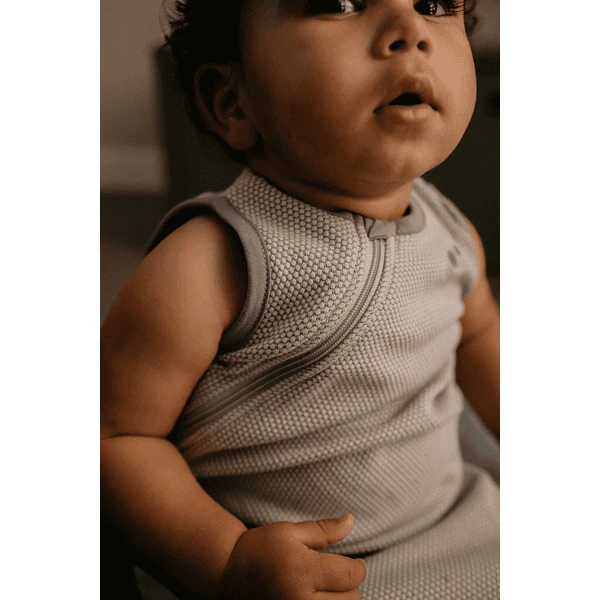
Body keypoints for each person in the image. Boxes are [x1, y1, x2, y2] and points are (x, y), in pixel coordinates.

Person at [100, 0, 500, 598]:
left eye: (435, 5)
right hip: (292, 571)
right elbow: (114, 437)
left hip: (463, 522)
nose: (409, 30)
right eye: (339, 3)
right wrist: (225, 561)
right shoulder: (211, 264)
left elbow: (480, 338)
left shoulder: (451, 232)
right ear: (233, 101)